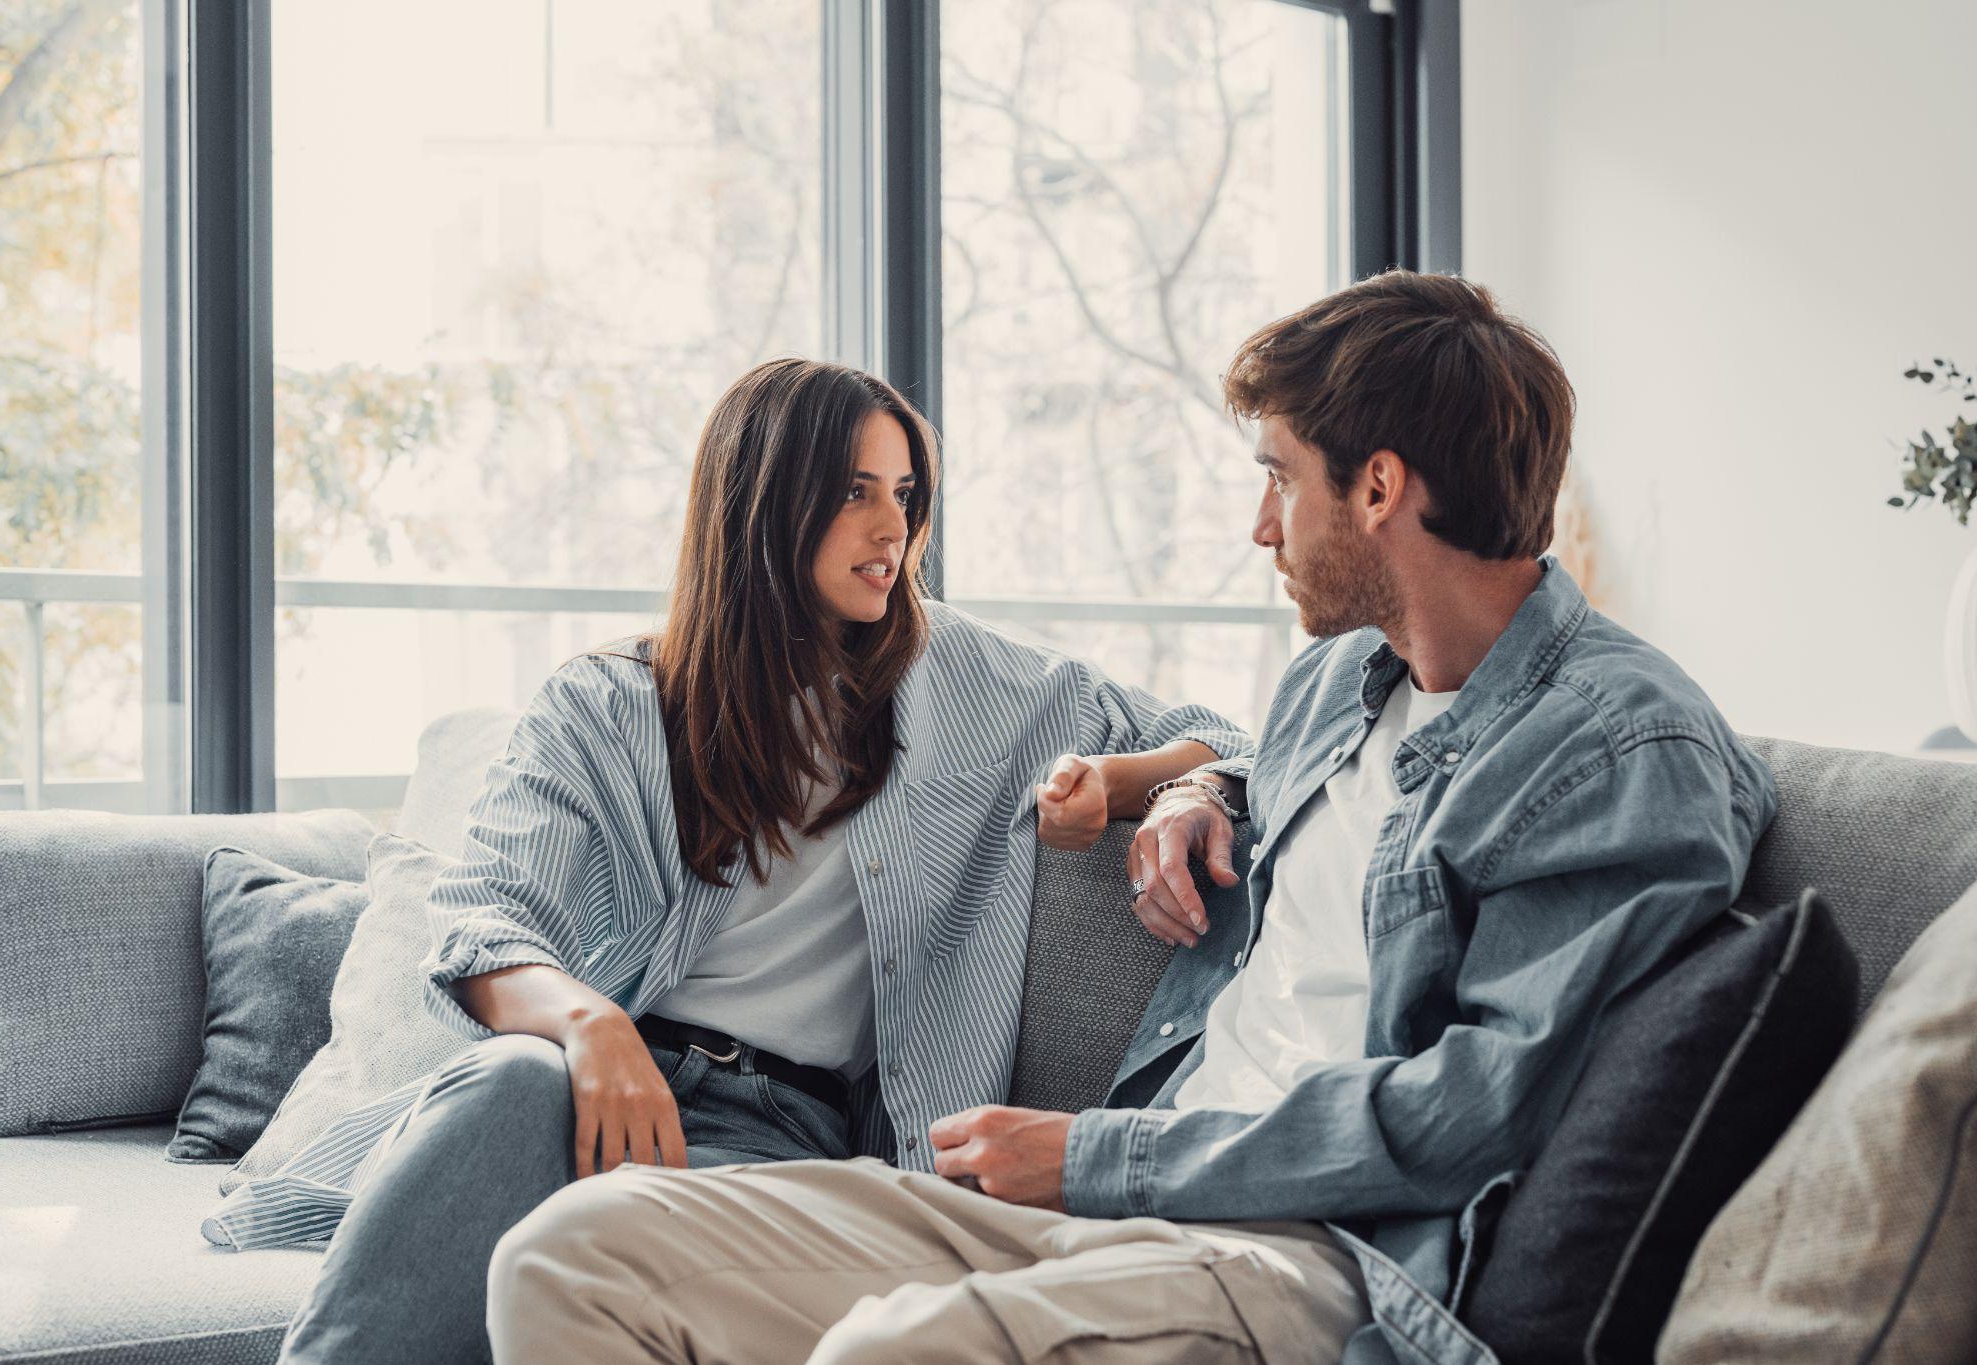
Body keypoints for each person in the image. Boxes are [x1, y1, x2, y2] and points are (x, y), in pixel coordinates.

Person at [479, 273, 1780, 1365]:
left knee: (892, 1351)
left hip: (1306, 1257)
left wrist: (1102, 1159)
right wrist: (1200, 784)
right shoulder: (1344, 681)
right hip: (1130, 1210)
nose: (1256, 523)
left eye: (1280, 478)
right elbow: (1261, 775)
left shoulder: (1619, 746)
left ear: (1379, 487)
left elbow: (1476, 1109)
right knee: (570, 1255)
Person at [209, 358, 1252, 1365]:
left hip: (783, 1132)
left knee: (603, 1260)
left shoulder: (980, 684)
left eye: (903, 493)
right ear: (760, 503)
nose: (892, 527)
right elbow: (483, 917)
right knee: (511, 1085)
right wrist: (590, 1024)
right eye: (852, 493)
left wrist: (1142, 786)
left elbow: (1233, 735)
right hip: (587, 1087)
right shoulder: (608, 702)